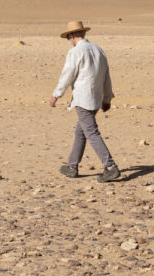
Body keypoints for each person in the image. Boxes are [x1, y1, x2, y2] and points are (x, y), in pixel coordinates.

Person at [50, 20, 120, 182]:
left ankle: (110, 167)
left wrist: (56, 94)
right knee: (80, 131)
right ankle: (72, 166)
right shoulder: (98, 50)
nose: (70, 41)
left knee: (91, 132)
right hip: (96, 99)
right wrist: (107, 98)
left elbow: (67, 75)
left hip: (83, 99)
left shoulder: (75, 52)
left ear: (72, 36)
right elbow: (106, 76)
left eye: (69, 37)